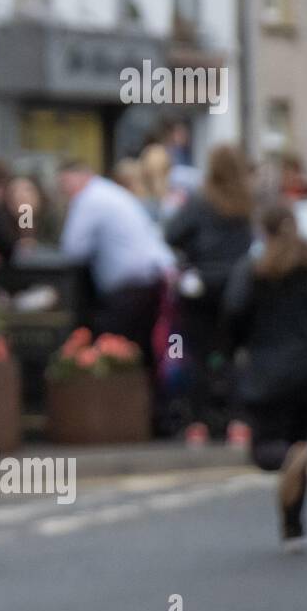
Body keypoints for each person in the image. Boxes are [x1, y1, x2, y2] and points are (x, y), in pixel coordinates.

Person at [222, 206, 307, 549]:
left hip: (268, 372)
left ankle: (289, 464)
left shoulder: (252, 271)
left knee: (266, 450)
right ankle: (293, 529)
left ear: (262, 231)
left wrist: (232, 354)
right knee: (298, 441)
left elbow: (233, 314)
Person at [163, 144, 254, 442]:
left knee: (199, 356)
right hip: (238, 287)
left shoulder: (200, 200)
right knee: (233, 355)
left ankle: (199, 424)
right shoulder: (245, 202)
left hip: (201, 289)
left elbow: (171, 233)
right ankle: (238, 422)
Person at [57, 159, 176, 370]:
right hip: (150, 278)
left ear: (79, 177)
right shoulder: (109, 192)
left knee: (113, 349)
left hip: (129, 285)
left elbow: (73, 249)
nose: (64, 191)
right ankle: (144, 398)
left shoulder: (89, 199)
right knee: (142, 349)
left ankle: (117, 398)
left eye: (65, 184)